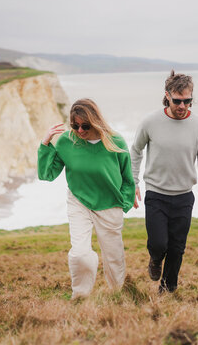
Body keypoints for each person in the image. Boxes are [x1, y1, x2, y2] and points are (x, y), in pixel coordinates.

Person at [38, 98, 135, 299]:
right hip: (79, 202)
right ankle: (80, 296)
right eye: (75, 126)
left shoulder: (115, 142)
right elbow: (47, 174)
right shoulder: (67, 141)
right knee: (79, 254)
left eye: (85, 126)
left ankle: (117, 296)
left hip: (109, 204)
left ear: (96, 121)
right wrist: (45, 142)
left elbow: (127, 178)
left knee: (114, 258)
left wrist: (123, 204)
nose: (80, 131)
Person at [130, 70, 198, 293]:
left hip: (184, 196)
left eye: (187, 101)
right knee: (159, 245)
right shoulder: (150, 122)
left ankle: (168, 290)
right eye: (177, 101)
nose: (183, 106)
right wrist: (134, 182)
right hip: (156, 194)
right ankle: (155, 259)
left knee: (177, 249)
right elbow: (136, 151)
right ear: (167, 95)